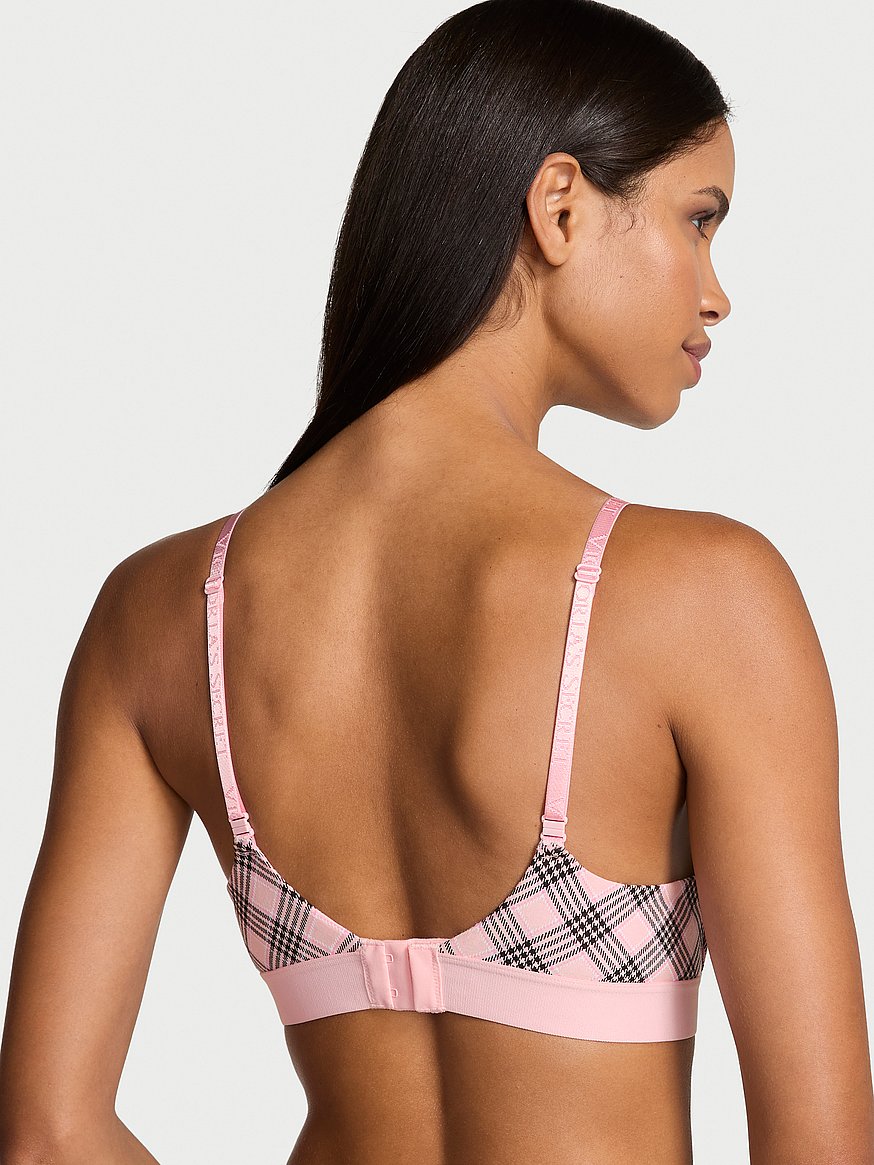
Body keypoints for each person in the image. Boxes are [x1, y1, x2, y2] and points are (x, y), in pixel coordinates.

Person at [2, 0, 873, 1162]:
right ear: (559, 207)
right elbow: (819, 1145)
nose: (716, 292)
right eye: (698, 219)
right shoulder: (704, 597)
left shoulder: (158, 612)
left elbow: (49, 1132)